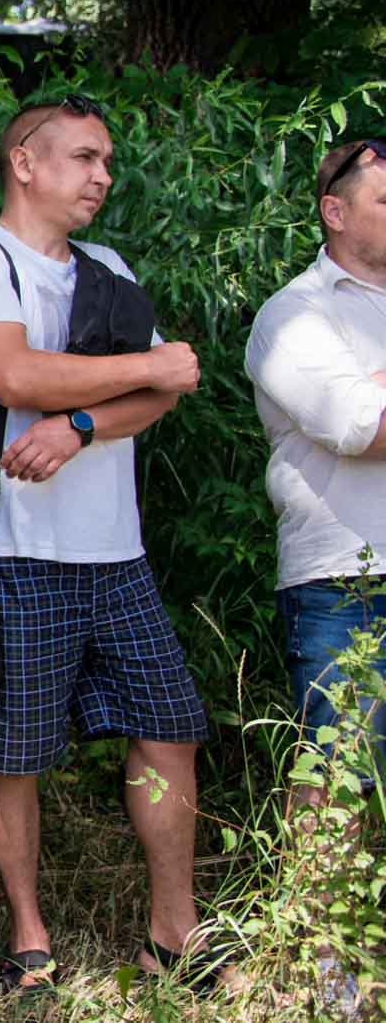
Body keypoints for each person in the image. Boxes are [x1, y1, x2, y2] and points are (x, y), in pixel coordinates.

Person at [0, 97, 216, 994]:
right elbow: (14, 372)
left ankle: (174, 932)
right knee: (13, 752)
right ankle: (30, 941)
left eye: (107, 162)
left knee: (169, 727)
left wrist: (81, 422)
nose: (102, 177)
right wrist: (148, 367)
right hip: (8, 548)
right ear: (24, 161)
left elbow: (166, 393)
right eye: (85, 158)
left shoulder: (107, 268)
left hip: (113, 551)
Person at [245, 137, 386, 784]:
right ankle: (314, 894)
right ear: (335, 211)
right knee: (339, 787)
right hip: (349, 586)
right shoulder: (295, 313)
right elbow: (363, 429)